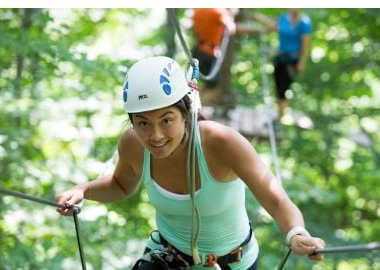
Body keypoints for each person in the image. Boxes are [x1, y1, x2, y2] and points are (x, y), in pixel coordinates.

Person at [56, 56, 325, 269]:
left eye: (166, 120)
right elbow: (120, 185)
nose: (155, 136)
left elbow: (276, 200)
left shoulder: (222, 143)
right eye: (143, 124)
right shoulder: (132, 144)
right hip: (167, 257)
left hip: (232, 263)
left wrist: (296, 234)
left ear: (186, 113)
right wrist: (84, 190)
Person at [253, 10, 312, 121]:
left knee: (283, 89)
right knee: (278, 88)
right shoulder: (284, 18)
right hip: (280, 58)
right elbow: (274, 27)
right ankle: (278, 116)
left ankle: (279, 119)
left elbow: (305, 45)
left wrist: (302, 62)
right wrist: (261, 18)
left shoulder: (304, 23)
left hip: (292, 61)